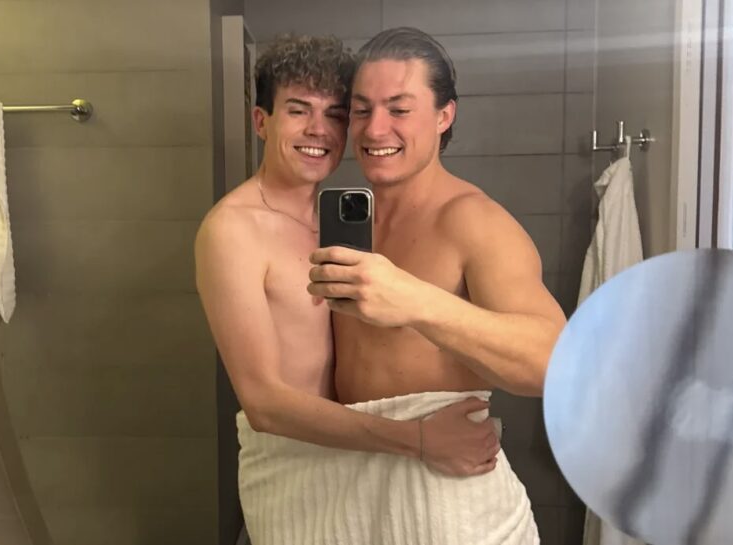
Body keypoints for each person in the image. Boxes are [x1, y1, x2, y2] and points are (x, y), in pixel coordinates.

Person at [195, 32, 500, 515]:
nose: (319, 130)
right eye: (298, 110)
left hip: (363, 461)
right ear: (261, 121)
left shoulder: (340, 221)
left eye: (335, 114)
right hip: (293, 472)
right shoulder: (233, 230)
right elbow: (263, 402)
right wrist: (419, 439)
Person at [304, 27, 569, 544]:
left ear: (444, 115)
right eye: (361, 110)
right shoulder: (346, 219)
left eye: (399, 109)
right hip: (359, 480)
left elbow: (554, 362)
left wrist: (418, 303)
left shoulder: (474, 221)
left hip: (449, 498)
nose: (375, 129)